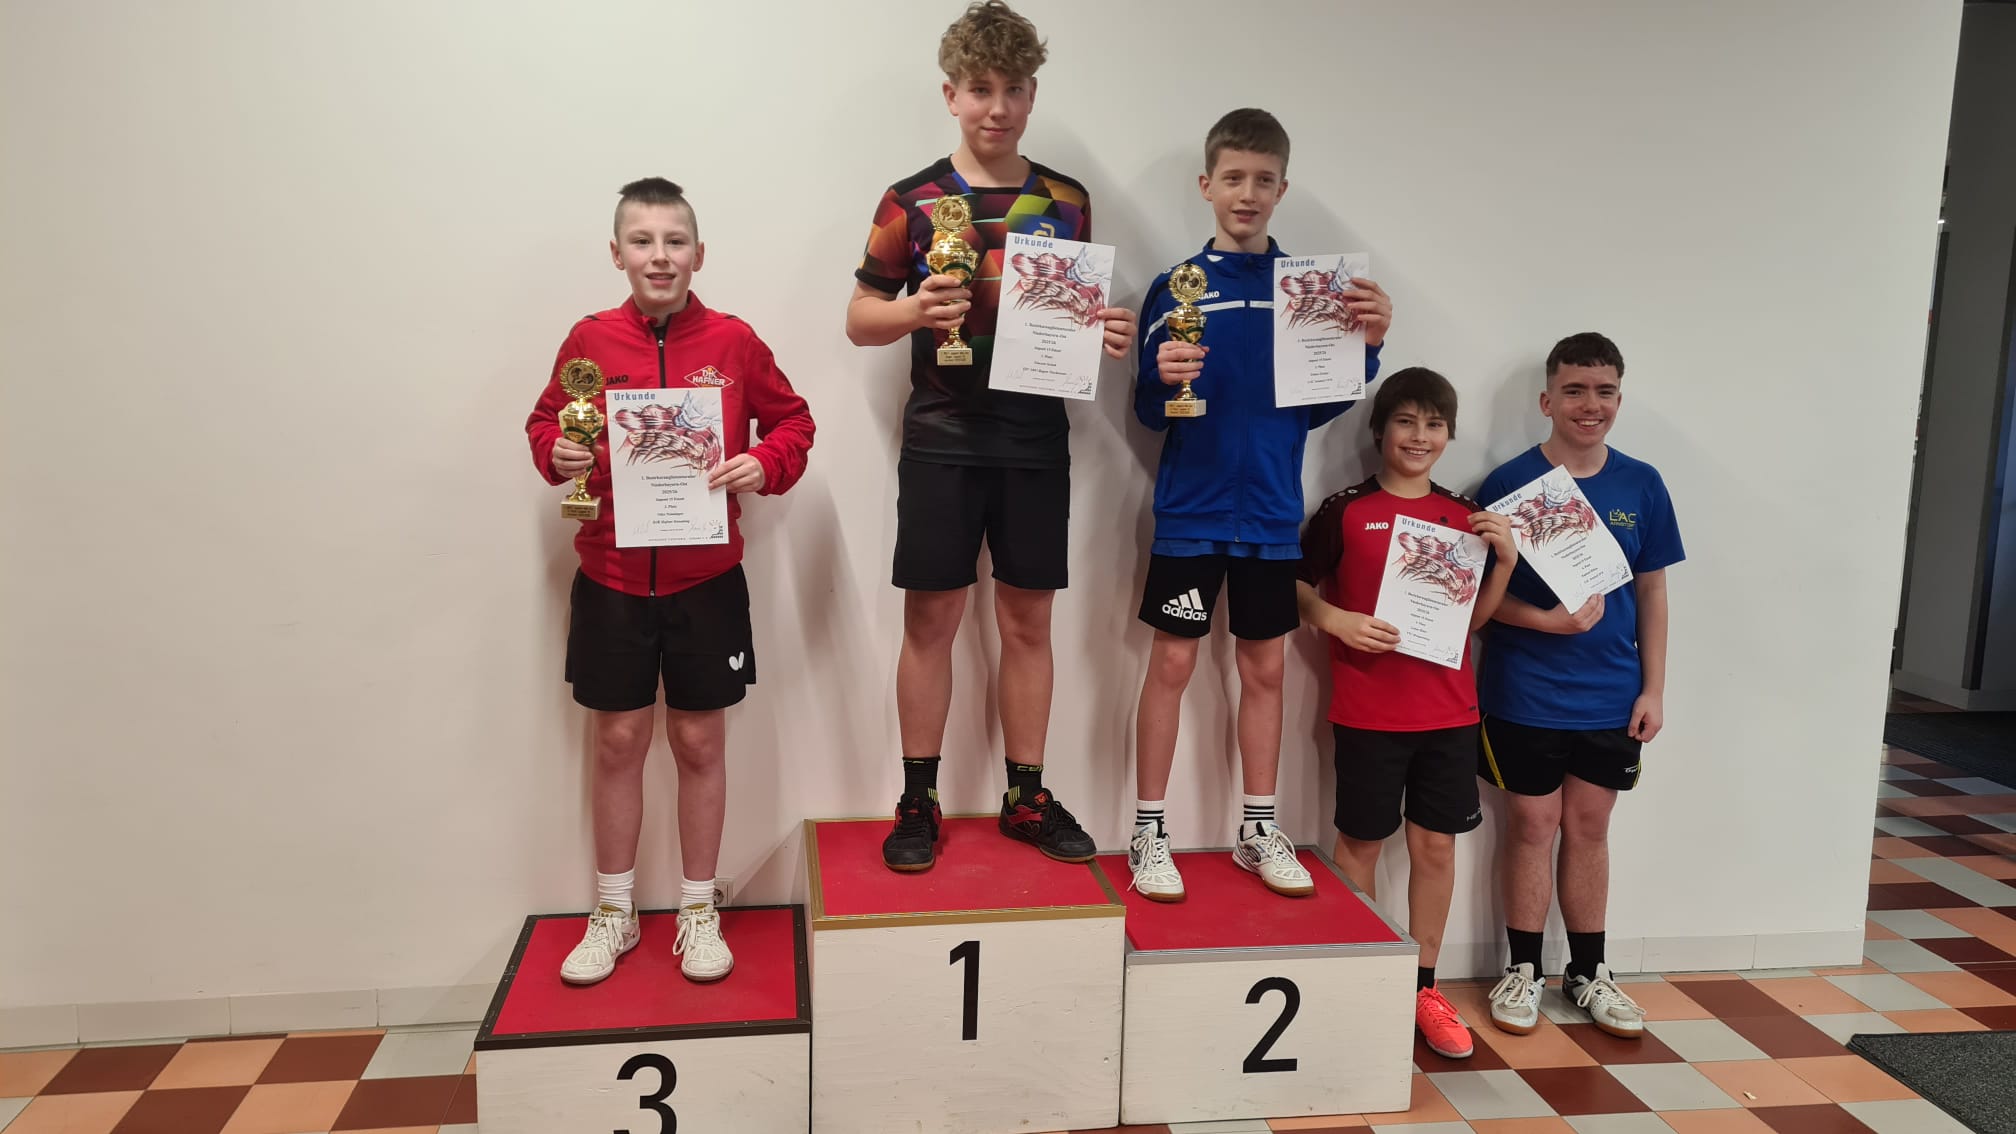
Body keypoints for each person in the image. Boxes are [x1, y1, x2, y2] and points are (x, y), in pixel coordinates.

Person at [844, 1, 1136, 872]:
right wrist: (912, 311)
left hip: (1035, 438)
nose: (997, 107)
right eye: (980, 89)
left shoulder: (1067, 202)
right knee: (931, 620)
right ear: (951, 94)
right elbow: (859, 317)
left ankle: (1026, 796)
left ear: (1033, 95)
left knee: (1028, 622)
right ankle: (918, 799)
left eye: (1013, 89)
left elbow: (1070, 313)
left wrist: (1103, 331)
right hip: (940, 435)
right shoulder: (911, 200)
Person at [525, 177, 815, 983]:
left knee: (697, 741)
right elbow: (546, 423)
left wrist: (766, 462)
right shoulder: (588, 340)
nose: (660, 256)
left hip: (707, 580)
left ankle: (697, 909)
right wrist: (558, 452)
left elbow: (794, 420)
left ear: (699, 254)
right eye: (643, 241)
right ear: (617, 253)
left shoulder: (733, 340)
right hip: (612, 578)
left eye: (675, 241)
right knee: (618, 741)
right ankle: (613, 911)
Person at [1127, 107, 1392, 902]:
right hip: (1190, 512)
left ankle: (1256, 829)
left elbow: (1319, 404)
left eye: (1263, 180)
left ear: (1283, 189)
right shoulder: (1175, 288)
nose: (1247, 193)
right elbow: (1149, 412)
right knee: (1172, 665)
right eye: (1233, 177)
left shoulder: (1312, 293)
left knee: (1266, 670)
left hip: (1273, 517)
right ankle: (1148, 831)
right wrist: (1159, 378)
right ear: (1206, 185)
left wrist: (1368, 346)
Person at [1297, 367, 1518, 1058]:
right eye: (1406, 421)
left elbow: (1469, 623)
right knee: (1360, 845)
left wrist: (1505, 564)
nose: (1419, 436)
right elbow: (1293, 585)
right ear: (1379, 430)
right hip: (1368, 713)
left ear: (1448, 435)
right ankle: (1361, 976)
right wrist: (1334, 618)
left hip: (1449, 715)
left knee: (1435, 848)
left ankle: (1423, 987)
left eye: (1434, 424)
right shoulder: (1344, 511)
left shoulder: (1466, 518)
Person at [1477, 332, 1683, 1040]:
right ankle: (1523, 970)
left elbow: (1652, 592)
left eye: (1603, 391)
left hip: (1611, 695)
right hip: (1523, 690)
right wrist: (1545, 621)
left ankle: (1589, 973)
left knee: (1590, 829)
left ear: (1619, 399)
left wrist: (1653, 688)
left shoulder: (1642, 483)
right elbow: (1477, 600)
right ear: (1547, 401)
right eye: (1573, 390)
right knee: (1533, 827)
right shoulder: (1507, 484)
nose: (1589, 405)